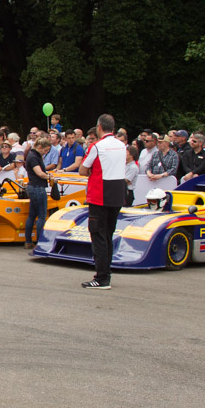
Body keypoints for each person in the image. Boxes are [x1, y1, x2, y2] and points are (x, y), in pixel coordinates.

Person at [80, 114, 126, 289]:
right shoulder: (122, 146)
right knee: (107, 235)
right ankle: (105, 273)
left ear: (99, 127)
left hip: (99, 195)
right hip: (116, 195)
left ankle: (102, 277)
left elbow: (83, 171)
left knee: (98, 236)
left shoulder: (96, 146)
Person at [24, 136, 54, 249]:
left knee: (32, 215)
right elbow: (39, 173)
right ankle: (40, 241)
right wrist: (49, 177)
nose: (46, 153)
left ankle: (28, 240)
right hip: (37, 187)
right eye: (45, 150)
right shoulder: (34, 157)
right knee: (41, 216)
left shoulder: (31, 155)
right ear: (40, 147)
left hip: (33, 186)